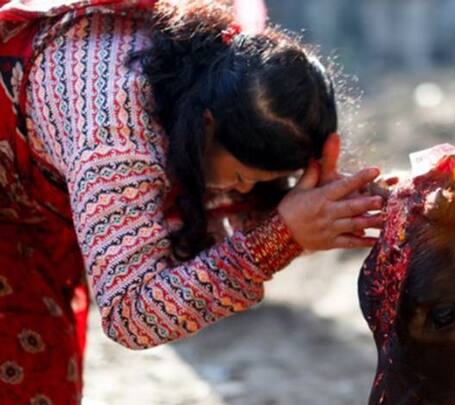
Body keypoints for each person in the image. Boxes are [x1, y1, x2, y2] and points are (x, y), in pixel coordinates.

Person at [0, 0, 383, 403]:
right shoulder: (116, 140)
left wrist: (323, 205)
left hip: (34, 214)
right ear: (205, 125)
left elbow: (214, 210)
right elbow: (131, 312)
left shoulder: (218, 67)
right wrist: (278, 240)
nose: (243, 192)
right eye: (239, 178)